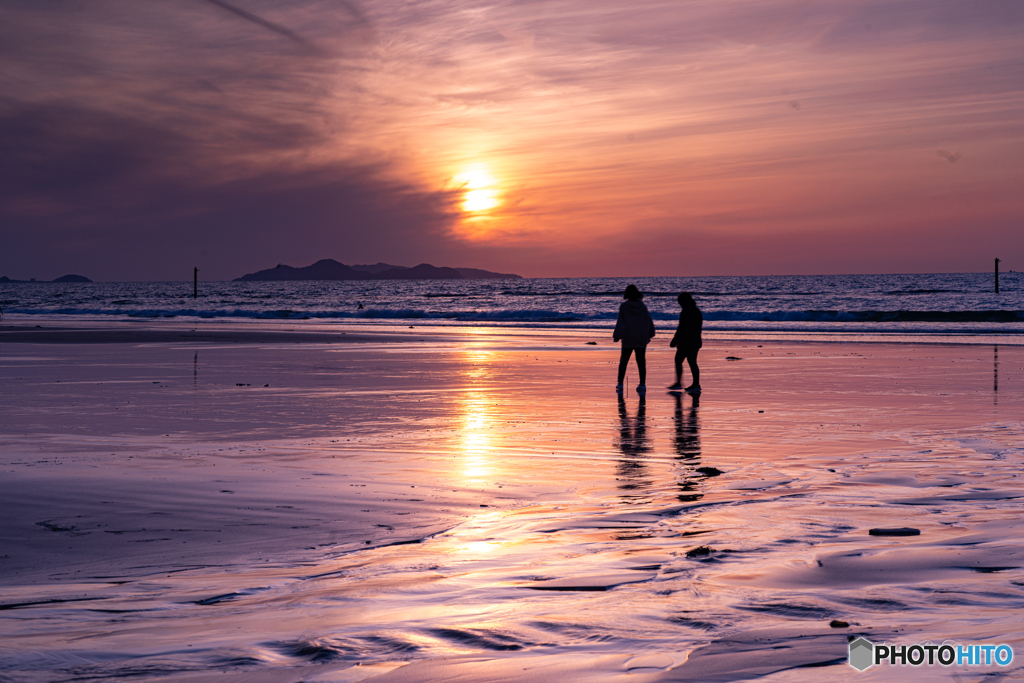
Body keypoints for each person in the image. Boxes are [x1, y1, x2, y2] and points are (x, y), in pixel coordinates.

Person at [613, 284, 655, 394]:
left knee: (624, 361)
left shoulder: (624, 306)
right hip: (641, 337)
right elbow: (648, 321)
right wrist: (649, 334)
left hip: (628, 337)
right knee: (641, 362)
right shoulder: (642, 306)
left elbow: (621, 322)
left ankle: (620, 383)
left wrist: (617, 335)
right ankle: (642, 384)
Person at [669, 291, 702, 393]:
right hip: (695, 341)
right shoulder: (697, 311)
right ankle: (696, 384)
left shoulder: (686, 311)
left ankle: (679, 383)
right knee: (692, 362)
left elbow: (682, 328)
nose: (680, 304)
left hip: (686, 341)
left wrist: (675, 340)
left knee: (678, 360)